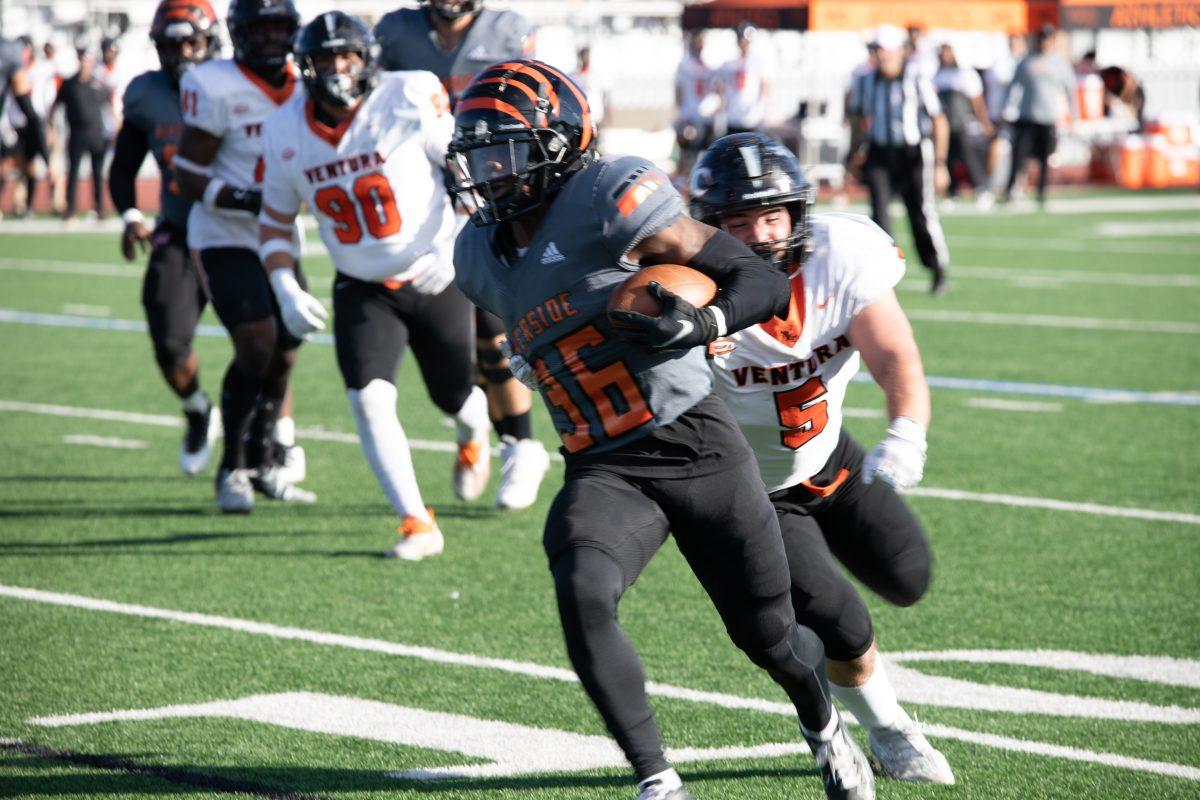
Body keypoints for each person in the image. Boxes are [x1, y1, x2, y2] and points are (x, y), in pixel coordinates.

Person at [448, 59, 874, 800]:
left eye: (506, 150)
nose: (488, 171)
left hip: (696, 442)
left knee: (768, 636)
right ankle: (658, 781)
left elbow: (763, 282)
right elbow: (513, 333)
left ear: (558, 142)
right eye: (480, 153)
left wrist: (704, 321)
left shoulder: (610, 195)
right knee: (581, 582)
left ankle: (823, 725)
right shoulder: (476, 255)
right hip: (603, 462)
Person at [691, 132, 955, 786]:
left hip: (828, 454)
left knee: (908, 576)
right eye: (740, 221)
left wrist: (907, 432)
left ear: (798, 213)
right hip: (752, 489)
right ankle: (891, 730)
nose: (759, 234)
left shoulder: (841, 252)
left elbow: (894, 356)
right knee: (841, 619)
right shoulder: (685, 286)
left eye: (772, 215)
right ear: (708, 227)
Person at [259, 12, 492, 560]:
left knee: (453, 396)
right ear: (306, 67)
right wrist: (284, 286)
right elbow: (274, 221)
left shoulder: (409, 93)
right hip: (361, 284)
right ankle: (416, 522)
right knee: (367, 400)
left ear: (367, 58)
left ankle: (473, 434)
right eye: (326, 59)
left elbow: (466, 170)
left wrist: (452, 244)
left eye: (349, 56)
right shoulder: (285, 129)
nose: (339, 68)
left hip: (432, 273)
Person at [374, 0, 549, 511]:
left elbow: (538, 101)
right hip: (423, 201)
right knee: (456, 356)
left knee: (495, 333)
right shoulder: (396, 33)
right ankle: (477, 436)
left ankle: (522, 444)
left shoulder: (508, 31)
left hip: (493, 189)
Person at [173, 0, 312, 512]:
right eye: (262, 28)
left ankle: (266, 458)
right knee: (257, 340)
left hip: (278, 234)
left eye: (281, 28)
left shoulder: (307, 80)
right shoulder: (214, 85)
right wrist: (247, 198)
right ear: (239, 33)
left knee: (287, 345)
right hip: (223, 235)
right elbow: (186, 174)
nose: (273, 39)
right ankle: (232, 465)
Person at [108, 0, 221, 475]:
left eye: (192, 42)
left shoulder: (239, 86)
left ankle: (277, 438)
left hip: (241, 228)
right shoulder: (146, 94)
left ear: (212, 42)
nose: (182, 54)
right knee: (168, 342)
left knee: (269, 338)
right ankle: (198, 409)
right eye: (172, 45)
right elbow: (124, 166)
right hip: (178, 228)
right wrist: (132, 213)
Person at [847, 24, 949, 296]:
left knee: (920, 214)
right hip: (880, 153)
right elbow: (858, 120)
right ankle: (882, 274)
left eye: (885, 50)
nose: (881, 56)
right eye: (877, 50)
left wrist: (940, 164)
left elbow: (939, 121)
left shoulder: (917, 77)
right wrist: (853, 153)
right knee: (878, 216)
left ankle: (937, 267)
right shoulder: (865, 80)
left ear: (899, 52)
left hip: (913, 154)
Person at [1001, 25, 1077, 206]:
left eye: (1047, 38)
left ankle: (1041, 193)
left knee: (1045, 158)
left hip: (1048, 117)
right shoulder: (1027, 61)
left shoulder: (1059, 62)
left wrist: (1074, 117)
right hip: (1026, 116)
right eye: (1042, 38)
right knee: (1019, 155)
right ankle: (1011, 190)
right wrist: (1006, 109)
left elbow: (1070, 90)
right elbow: (1013, 86)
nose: (1044, 42)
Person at [932, 43, 993, 208]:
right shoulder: (937, 74)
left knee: (969, 158)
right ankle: (952, 193)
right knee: (948, 158)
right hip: (945, 124)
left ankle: (981, 189)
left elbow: (977, 101)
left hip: (962, 123)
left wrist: (983, 121)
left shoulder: (965, 74)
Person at [53, 48, 109, 220]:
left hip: (96, 134)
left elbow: (107, 109)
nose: (86, 64)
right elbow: (56, 107)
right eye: (83, 60)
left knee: (98, 172)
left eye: (88, 61)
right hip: (76, 134)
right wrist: (51, 128)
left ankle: (100, 208)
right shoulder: (69, 84)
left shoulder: (99, 85)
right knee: (73, 172)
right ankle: (70, 210)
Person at [673, 29, 714, 178]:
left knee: (700, 154)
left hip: (702, 117)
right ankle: (684, 181)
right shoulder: (685, 65)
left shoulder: (707, 66)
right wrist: (682, 115)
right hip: (689, 116)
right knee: (687, 153)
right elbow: (679, 91)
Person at [717, 21, 769, 136]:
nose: (744, 43)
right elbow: (720, 86)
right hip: (733, 118)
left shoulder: (758, 62)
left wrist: (760, 110)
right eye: (742, 40)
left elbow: (765, 87)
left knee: (751, 153)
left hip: (751, 119)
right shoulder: (729, 62)